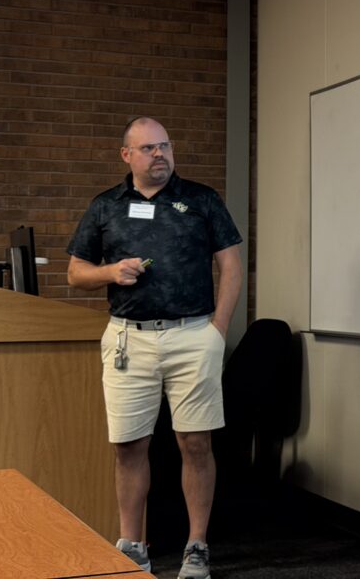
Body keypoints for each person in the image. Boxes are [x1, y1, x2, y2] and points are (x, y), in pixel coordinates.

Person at [67, 116, 243, 579]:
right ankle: (132, 546)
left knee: (196, 443)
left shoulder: (201, 199)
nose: (159, 154)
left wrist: (217, 330)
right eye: (148, 148)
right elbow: (75, 272)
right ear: (126, 155)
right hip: (129, 338)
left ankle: (197, 545)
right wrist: (110, 272)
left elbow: (231, 266)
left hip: (193, 336)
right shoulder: (106, 206)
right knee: (129, 445)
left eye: (165, 145)